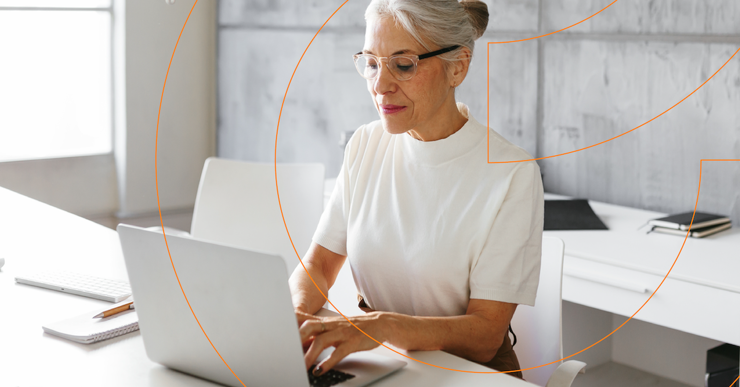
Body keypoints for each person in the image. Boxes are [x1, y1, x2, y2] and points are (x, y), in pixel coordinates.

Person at [288, 0, 544, 379]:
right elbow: (319, 265)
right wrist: (294, 316)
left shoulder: (512, 174)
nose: (380, 85)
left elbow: (486, 334)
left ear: (458, 66)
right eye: (372, 63)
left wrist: (381, 327)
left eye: (403, 65)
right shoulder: (365, 144)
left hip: (469, 374)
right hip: (385, 362)